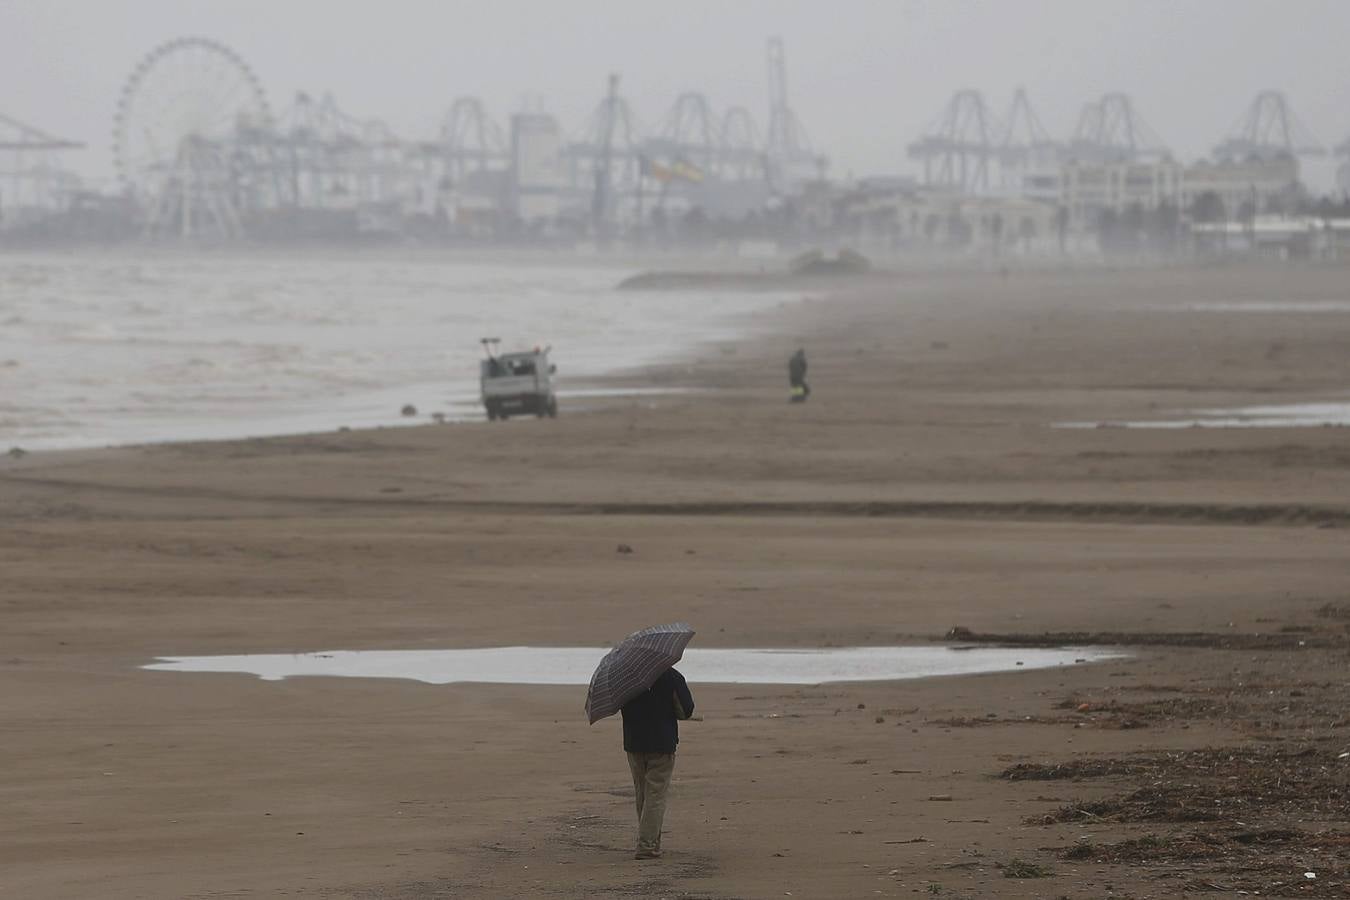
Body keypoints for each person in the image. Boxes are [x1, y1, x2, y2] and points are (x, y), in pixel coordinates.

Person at [620, 667, 695, 860]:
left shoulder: (626, 676)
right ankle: (647, 845)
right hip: (662, 743)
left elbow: (620, 705)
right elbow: (685, 710)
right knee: (655, 795)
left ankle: (650, 841)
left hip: (634, 742)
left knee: (643, 792)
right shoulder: (672, 676)